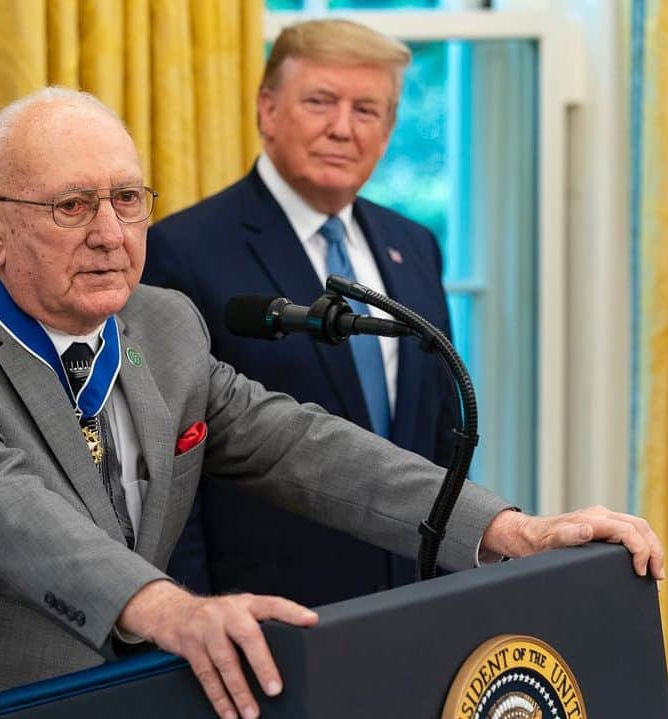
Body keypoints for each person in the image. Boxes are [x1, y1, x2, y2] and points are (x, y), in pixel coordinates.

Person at [0, 88, 663, 719]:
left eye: (128, 199)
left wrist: (504, 528)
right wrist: (170, 605)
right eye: (71, 205)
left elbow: (297, 442)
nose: (110, 231)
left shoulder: (162, 324)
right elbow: (2, 511)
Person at [143, 19, 463, 603]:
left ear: (389, 130)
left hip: (414, 604)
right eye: (320, 102)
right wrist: (195, 616)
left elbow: (440, 434)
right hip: (265, 617)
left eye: (367, 110)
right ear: (267, 111)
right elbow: (167, 469)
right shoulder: (183, 252)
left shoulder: (415, 246)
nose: (342, 128)